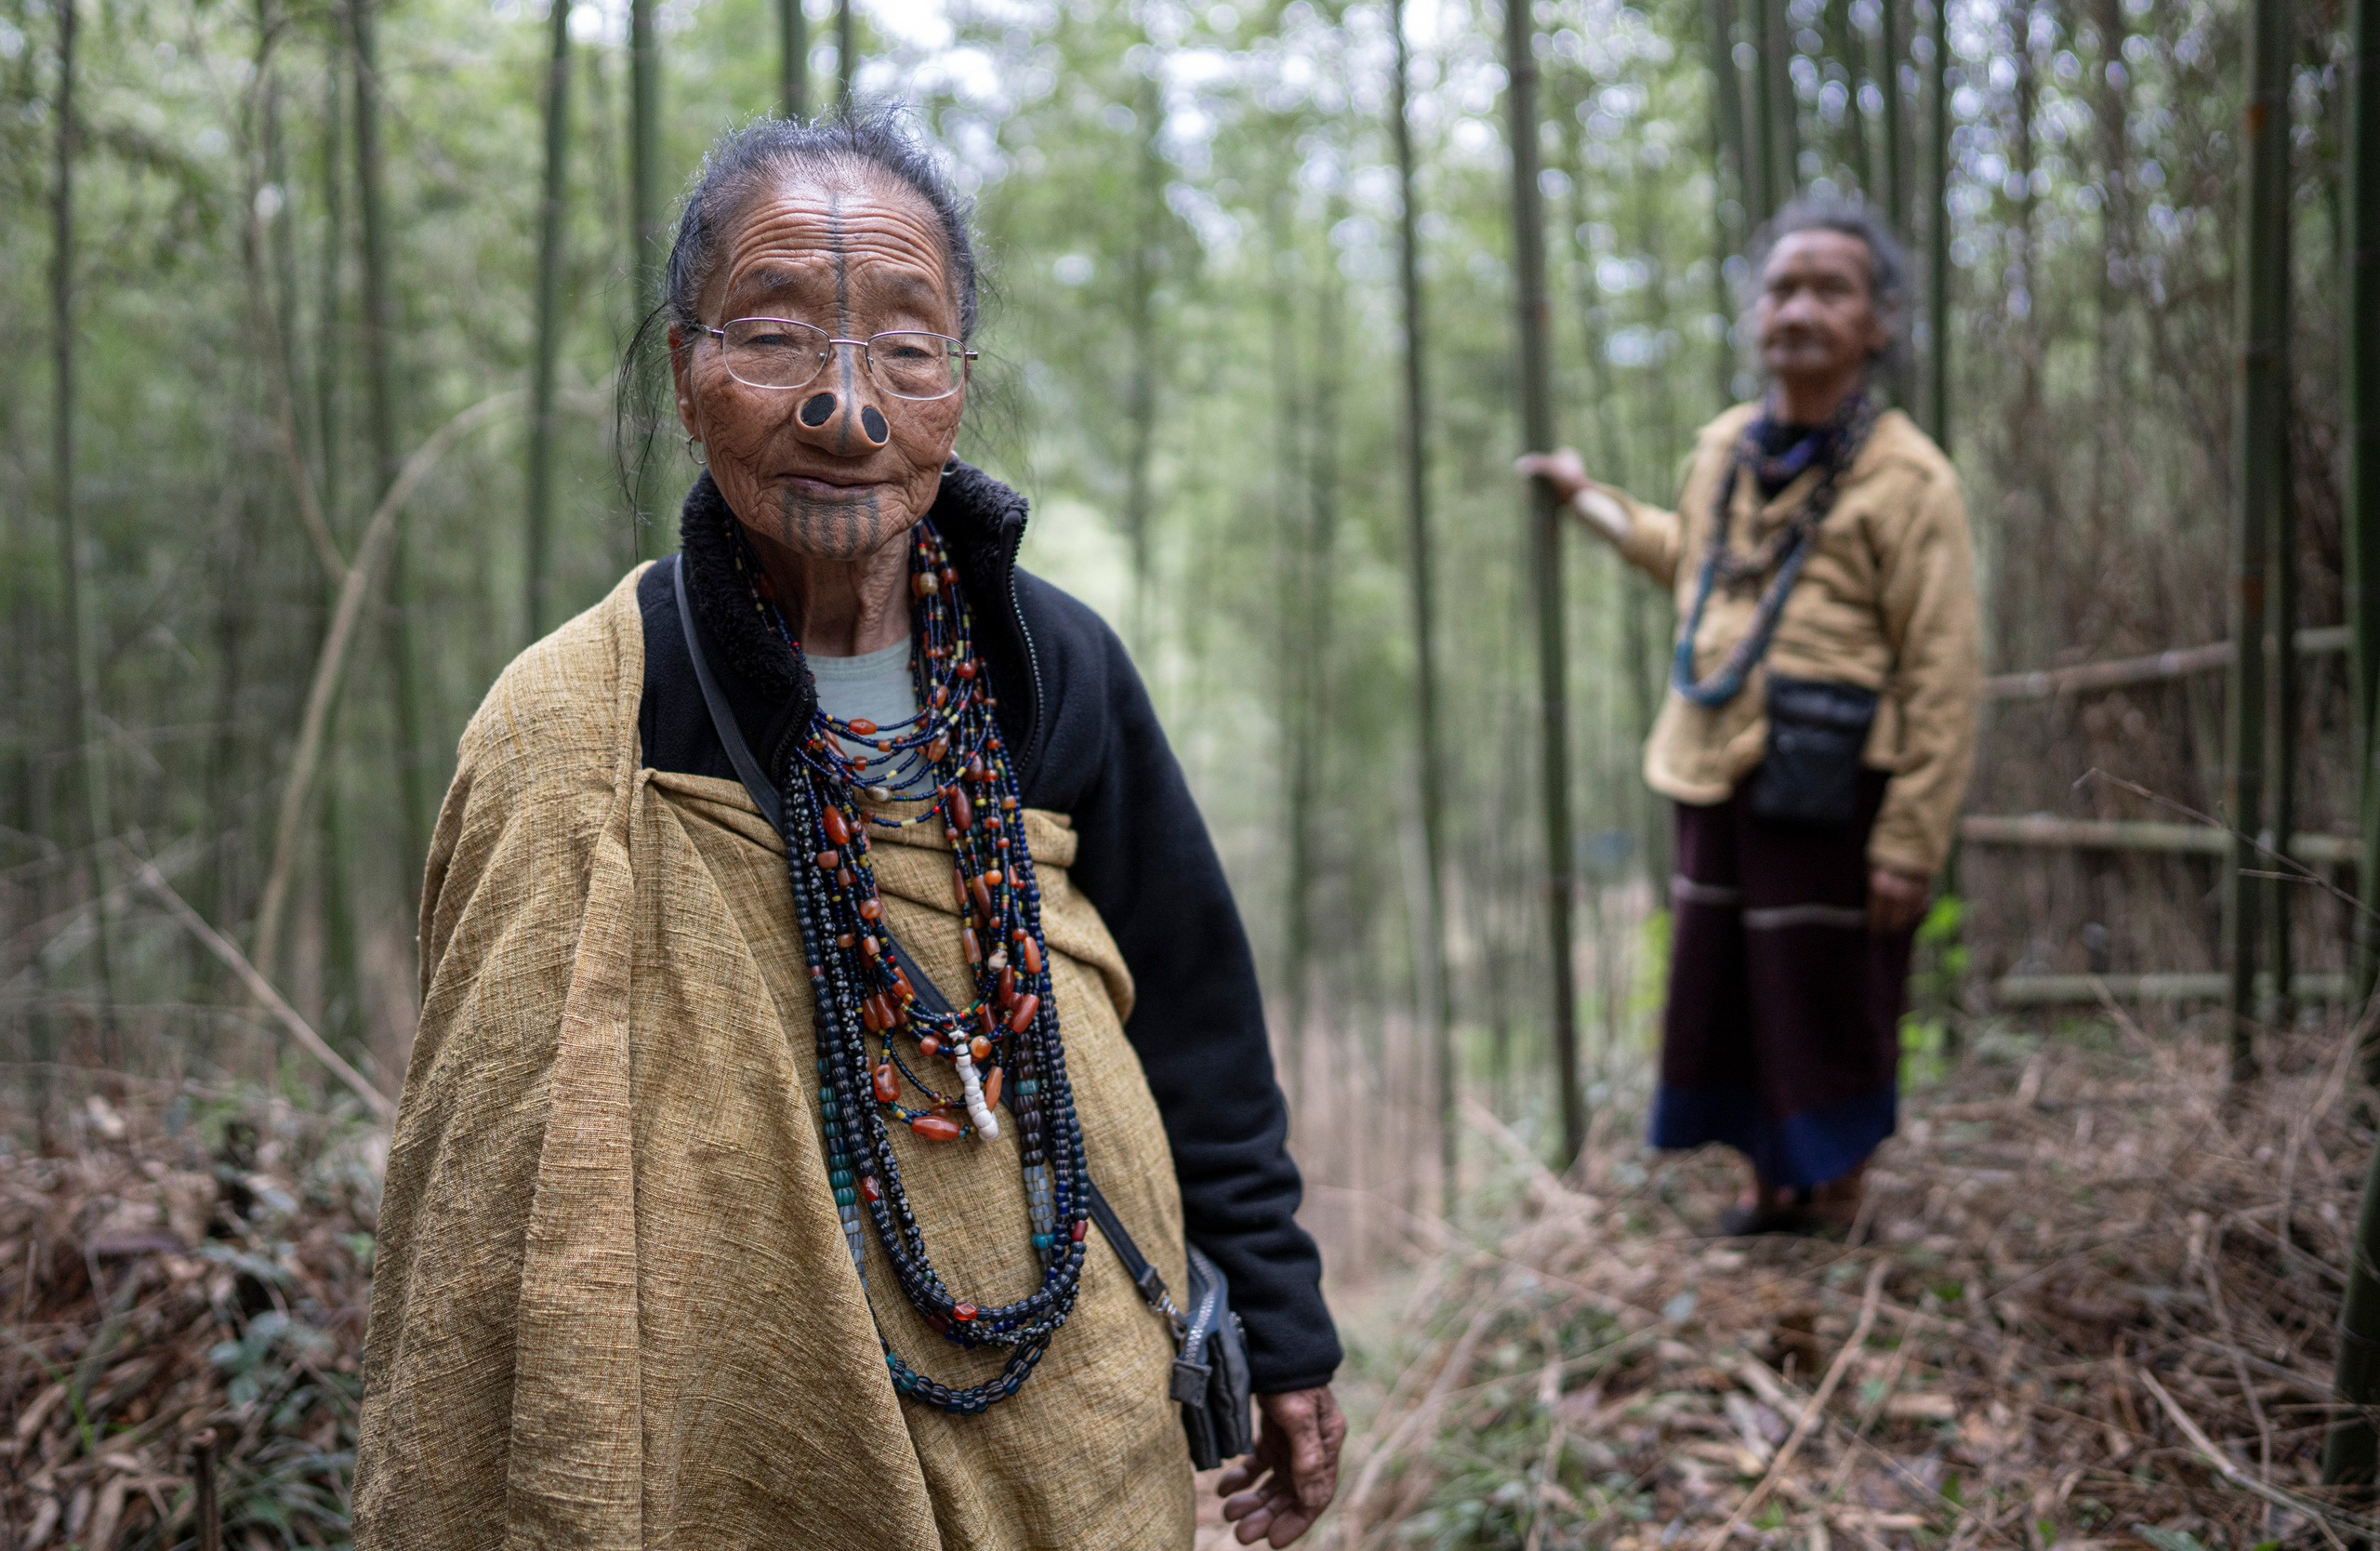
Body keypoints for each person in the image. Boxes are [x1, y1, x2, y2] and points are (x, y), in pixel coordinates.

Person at [355, 110, 1343, 1550]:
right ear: (685, 375)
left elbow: (1199, 1023)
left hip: (1080, 1426)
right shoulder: (584, 721)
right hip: (725, 1447)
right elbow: (501, 1184)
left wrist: (1287, 1323)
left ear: (956, 392)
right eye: (771, 336)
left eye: (906, 346)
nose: (846, 407)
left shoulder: (1052, 667)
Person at [1518, 199, 1978, 1237]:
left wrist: (1911, 840)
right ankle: (1769, 1187)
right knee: (1736, 986)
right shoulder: (1726, 446)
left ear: (1880, 321)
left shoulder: (1910, 478)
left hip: (1835, 779)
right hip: (1715, 765)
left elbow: (1943, 671)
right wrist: (1586, 501)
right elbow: (1691, 560)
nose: (1797, 309)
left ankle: (1835, 1192)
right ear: (1752, 313)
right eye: (1780, 288)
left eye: (1830, 289)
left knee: (1825, 992)